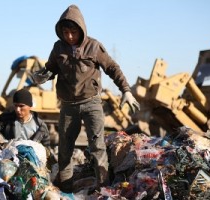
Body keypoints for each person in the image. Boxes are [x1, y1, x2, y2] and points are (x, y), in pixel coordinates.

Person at [33, 5, 140, 192]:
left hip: (92, 104)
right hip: (68, 106)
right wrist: (43, 75)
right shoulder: (58, 48)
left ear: (81, 29)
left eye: (73, 32)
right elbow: (51, 68)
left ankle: (103, 189)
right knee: (65, 149)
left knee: (97, 147)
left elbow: (112, 68)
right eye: (65, 32)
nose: (69, 36)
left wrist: (126, 90)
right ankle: (66, 190)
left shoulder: (94, 46)